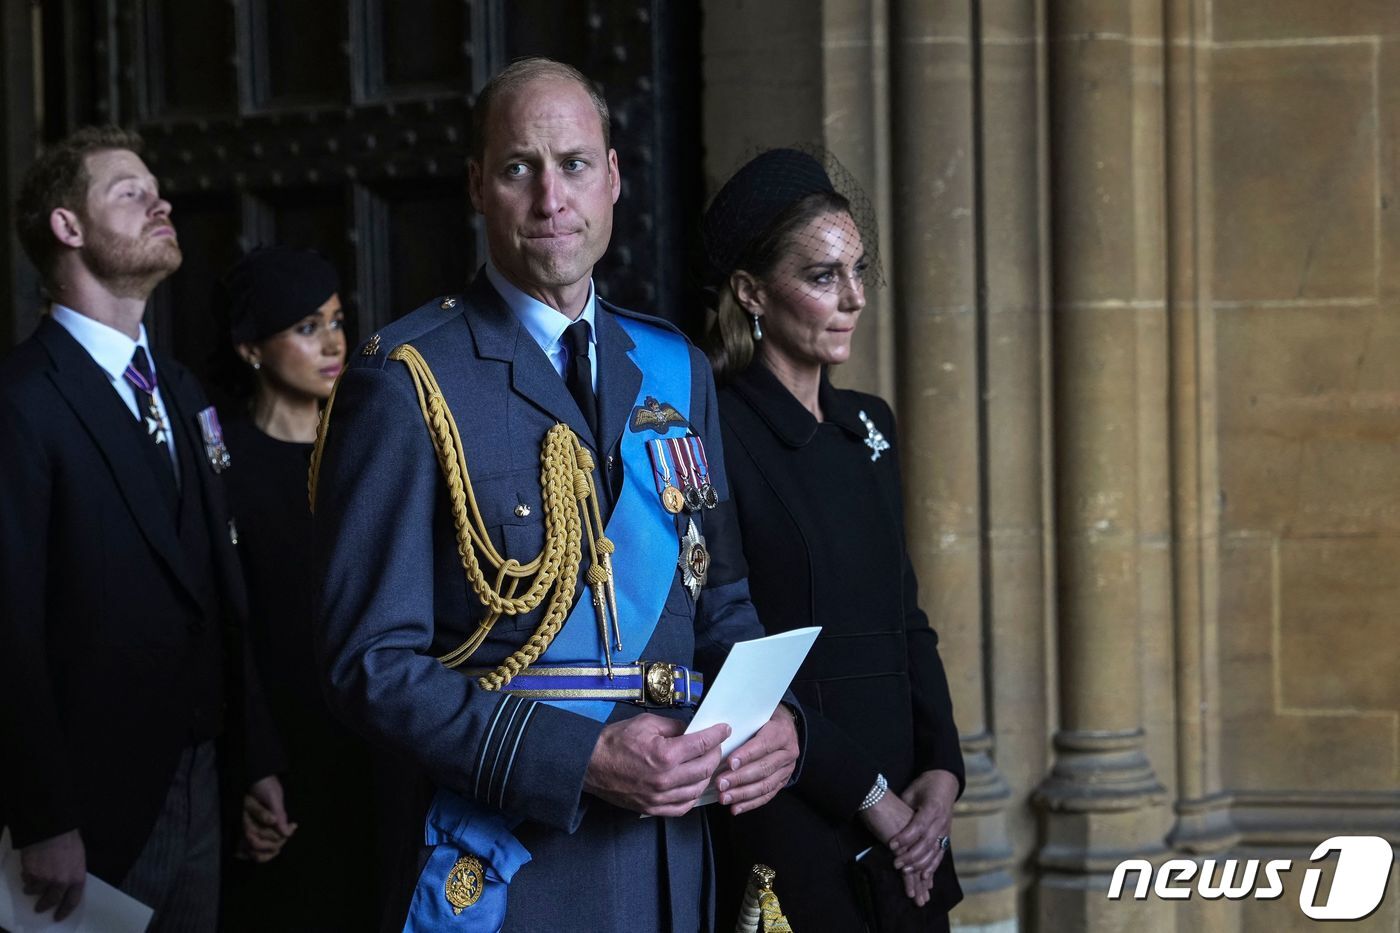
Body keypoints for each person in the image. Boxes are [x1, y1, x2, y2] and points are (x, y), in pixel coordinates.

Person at [310, 58, 802, 932]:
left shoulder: (675, 367)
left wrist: (778, 721)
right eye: (518, 168)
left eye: (574, 165)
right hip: (514, 869)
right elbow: (371, 664)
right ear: (477, 186)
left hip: (670, 859)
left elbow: (721, 598)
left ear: (612, 178)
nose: (551, 198)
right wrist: (578, 759)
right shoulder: (409, 380)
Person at [0, 126, 288, 930]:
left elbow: (222, 590)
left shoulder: (183, 390)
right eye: (130, 193)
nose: (161, 204)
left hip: (204, 785)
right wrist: (42, 815)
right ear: (67, 226)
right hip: (89, 811)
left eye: (157, 191)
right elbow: (8, 626)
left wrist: (254, 758)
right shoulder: (22, 402)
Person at [701, 148, 966, 932]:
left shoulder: (869, 427)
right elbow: (725, 647)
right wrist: (867, 794)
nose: (854, 298)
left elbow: (906, 616)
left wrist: (943, 768)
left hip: (907, 821)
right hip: (794, 807)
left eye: (858, 270)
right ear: (751, 291)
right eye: (823, 276)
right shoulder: (712, 429)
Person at [213, 246, 379, 931]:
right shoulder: (221, 464)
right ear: (251, 348)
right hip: (272, 746)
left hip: (370, 741)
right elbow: (225, 627)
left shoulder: (368, 447)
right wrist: (251, 764)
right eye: (307, 327)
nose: (334, 343)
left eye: (336, 321)